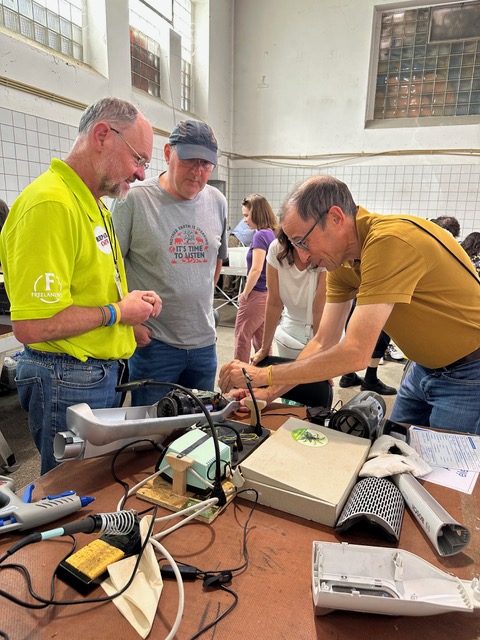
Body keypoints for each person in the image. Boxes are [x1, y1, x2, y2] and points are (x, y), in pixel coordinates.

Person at [219, 175, 480, 434]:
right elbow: (324, 341)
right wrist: (267, 393)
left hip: (469, 371)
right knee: (391, 447)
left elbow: (357, 352)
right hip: (422, 367)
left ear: (335, 218)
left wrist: (263, 375)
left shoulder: (389, 241)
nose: (303, 257)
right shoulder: (342, 262)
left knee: (444, 468)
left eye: (302, 241)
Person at [0, 97, 162, 474]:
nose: (140, 174)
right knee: (66, 489)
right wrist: (117, 312)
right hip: (66, 377)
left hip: (92, 372)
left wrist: (127, 321)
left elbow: (86, 288)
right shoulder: (51, 205)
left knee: (91, 484)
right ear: (102, 135)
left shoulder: (93, 203)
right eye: (138, 159)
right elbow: (33, 325)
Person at [113, 119, 228, 406]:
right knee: (151, 432)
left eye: (206, 164)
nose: (198, 172)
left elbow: (216, 260)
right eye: (190, 160)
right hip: (155, 344)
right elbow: (110, 268)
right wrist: (131, 325)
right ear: (168, 153)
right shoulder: (135, 199)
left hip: (204, 343)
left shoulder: (217, 201)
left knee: (199, 428)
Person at [248, 228, 332, 409]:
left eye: (308, 245)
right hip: (289, 328)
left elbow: (319, 309)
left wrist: (322, 358)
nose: (304, 255)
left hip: (318, 329)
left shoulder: (325, 252)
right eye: (298, 244)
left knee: (313, 389)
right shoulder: (276, 249)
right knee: (287, 388)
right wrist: (264, 348)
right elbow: (274, 302)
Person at [233, 194, 277, 362]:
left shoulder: (260, 235)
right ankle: (263, 378)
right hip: (268, 295)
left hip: (257, 294)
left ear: (257, 213)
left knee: (242, 336)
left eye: (246, 215)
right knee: (262, 342)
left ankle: (239, 378)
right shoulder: (272, 233)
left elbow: (256, 269)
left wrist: (244, 294)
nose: (244, 220)